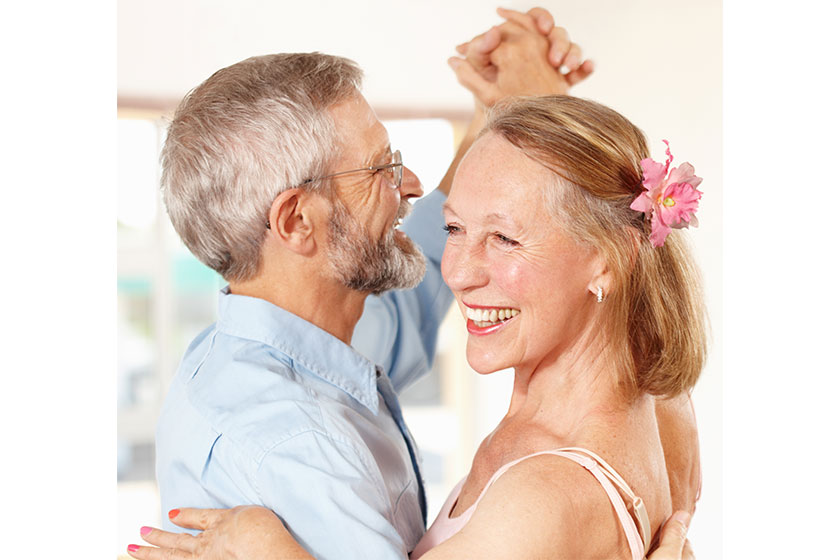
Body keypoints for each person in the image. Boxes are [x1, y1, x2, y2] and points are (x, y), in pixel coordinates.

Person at [128, 9, 701, 560]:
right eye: (381, 168)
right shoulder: (301, 443)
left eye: (499, 237)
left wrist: (511, 111)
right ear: (298, 221)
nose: (454, 270)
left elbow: (436, 274)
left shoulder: (320, 344)